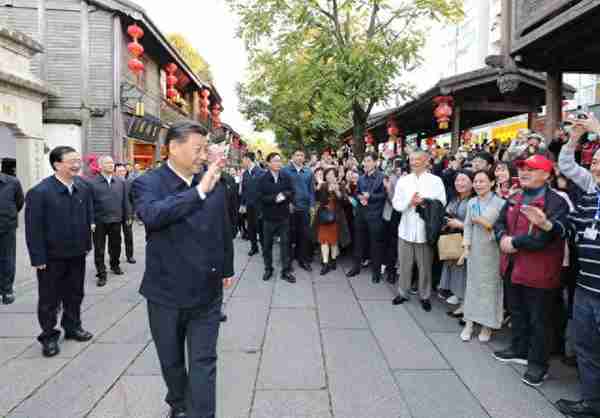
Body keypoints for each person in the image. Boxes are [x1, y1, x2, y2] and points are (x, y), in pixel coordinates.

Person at [131, 122, 234, 418]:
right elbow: (152, 215)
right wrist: (198, 192)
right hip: (166, 292)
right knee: (171, 359)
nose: (203, 156)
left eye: (205, 149)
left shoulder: (214, 182)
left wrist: (226, 267)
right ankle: (178, 402)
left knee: (204, 360)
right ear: (173, 147)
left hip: (206, 290)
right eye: (197, 149)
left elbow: (222, 228)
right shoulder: (147, 183)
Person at [493, 154, 569, 387]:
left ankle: (538, 365)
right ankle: (519, 348)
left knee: (540, 320)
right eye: (522, 168)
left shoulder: (557, 201)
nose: (524, 172)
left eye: (532, 169)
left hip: (540, 272)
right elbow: (499, 222)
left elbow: (548, 236)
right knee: (517, 311)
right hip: (512, 268)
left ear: (547, 175)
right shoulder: (515, 196)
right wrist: (501, 237)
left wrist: (514, 243)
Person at [25, 146, 94, 358]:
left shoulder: (83, 187)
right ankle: (49, 336)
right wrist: (38, 257)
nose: (77, 165)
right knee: (49, 299)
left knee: (75, 294)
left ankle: (73, 327)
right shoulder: (40, 192)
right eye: (71, 161)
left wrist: (87, 242)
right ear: (57, 164)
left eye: (78, 160)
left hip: (77, 253)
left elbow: (88, 214)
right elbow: (33, 228)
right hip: (51, 257)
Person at [554, 115, 600, 417]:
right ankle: (590, 402)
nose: (593, 166)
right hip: (586, 285)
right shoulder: (592, 190)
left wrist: (598, 130)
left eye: (598, 161)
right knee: (586, 348)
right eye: (593, 161)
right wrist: (575, 138)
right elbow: (568, 166)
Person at [392, 150, 447, 311]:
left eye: (418, 159)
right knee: (404, 264)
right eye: (412, 159)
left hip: (425, 231)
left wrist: (424, 202)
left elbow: (441, 202)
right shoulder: (403, 181)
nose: (414, 162)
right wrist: (410, 202)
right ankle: (403, 292)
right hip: (405, 229)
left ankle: (425, 295)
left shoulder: (436, 181)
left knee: (425, 266)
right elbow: (396, 203)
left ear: (426, 161)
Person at [459, 170, 505, 342]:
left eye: (482, 181)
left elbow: (499, 228)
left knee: (490, 289)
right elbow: (468, 226)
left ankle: (487, 325)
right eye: (476, 181)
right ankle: (469, 323)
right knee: (472, 288)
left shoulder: (500, 203)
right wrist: (466, 247)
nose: (478, 185)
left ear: (492, 183)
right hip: (474, 251)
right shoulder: (472, 202)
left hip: (493, 251)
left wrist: (486, 224)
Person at [88, 156, 129, 287]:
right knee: (99, 249)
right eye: (107, 163)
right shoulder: (92, 183)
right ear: (100, 166)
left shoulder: (120, 182)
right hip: (99, 221)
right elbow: (89, 204)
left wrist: (127, 216)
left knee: (116, 245)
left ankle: (115, 265)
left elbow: (125, 201)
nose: (111, 165)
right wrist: (91, 220)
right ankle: (101, 273)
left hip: (116, 219)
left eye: (112, 163)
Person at [346, 152, 387, 283]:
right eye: (365, 161)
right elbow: (357, 192)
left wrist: (370, 197)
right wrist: (360, 197)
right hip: (361, 214)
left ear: (375, 162)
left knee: (375, 244)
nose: (366, 164)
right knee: (358, 242)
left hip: (375, 215)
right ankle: (356, 267)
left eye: (369, 161)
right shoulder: (362, 178)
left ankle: (376, 272)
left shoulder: (382, 177)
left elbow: (384, 196)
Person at [257, 152, 296, 283]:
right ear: (268, 163)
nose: (278, 163)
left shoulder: (286, 176)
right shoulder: (262, 178)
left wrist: (284, 194)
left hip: (284, 217)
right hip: (268, 218)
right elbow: (260, 197)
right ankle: (268, 268)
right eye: (275, 161)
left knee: (285, 245)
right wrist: (275, 198)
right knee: (267, 245)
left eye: (279, 160)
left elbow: (292, 191)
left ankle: (286, 271)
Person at [437, 171, 473, 312]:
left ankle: (464, 297)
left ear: (472, 183)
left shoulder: (473, 200)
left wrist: (460, 224)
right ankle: (456, 293)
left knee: (462, 268)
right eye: (458, 180)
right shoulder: (454, 198)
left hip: (466, 239)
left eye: (464, 180)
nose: (460, 183)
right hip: (452, 237)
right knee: (452, 265)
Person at [282, 149, 315, 272]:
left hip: (304, 207)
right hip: (290, 208)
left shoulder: (308, 172)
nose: (300, 157)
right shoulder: (285, 171)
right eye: (297, 155)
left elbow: (311, 190)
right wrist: (287, 202)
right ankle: (288, 260)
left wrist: (312, 205)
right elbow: (282, 188)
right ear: (293, 156)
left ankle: (303, 260)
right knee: (289, 234)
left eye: (302, 155)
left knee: (304, 234)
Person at [315, 167, 350, 275]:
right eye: (327, 174)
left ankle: (333, 260)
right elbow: (319, 200)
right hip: (324, 217)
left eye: (331, 174)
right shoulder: (323, 185)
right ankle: (326, 263)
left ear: (335, 176)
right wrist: (321, 187)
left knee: (334, 241)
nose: (329, 176)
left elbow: (345, 202)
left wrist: (337, 191)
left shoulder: (341, 185)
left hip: (336, 217)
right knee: (324, 240)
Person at [0, 171, 24, 304]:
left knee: (7, 259)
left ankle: (7, 290)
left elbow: (19, 202)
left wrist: (9, 215)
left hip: (7, 227)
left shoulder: (12, 182)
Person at [241, 152, 265, 256]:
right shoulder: (245, 174)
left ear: (248, 159)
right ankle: (254, 247)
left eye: (243, 160)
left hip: (260, 207)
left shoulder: (261, 172)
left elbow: (265, 191)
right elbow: (244, 190)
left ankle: (265, 249)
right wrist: (242, 204)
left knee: (261, 229)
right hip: (249, 206)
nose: (242, 162)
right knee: (251, 228)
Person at [115, 163, 136, 264]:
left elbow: (133, 199)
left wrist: (132, 214)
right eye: (119, 171)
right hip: (116, 215)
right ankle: (115, 257)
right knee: (115, 238)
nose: (121, 173)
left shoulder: (130, 182)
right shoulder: (112, 183)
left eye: (123, 171)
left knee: (128, 236)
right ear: (115, 172)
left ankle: (130, 256)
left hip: (127, 215)